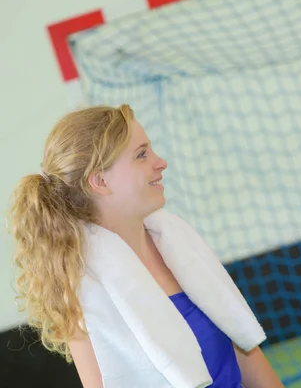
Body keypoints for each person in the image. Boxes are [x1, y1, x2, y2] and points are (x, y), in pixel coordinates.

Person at [8, 104, 284, 388]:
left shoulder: (177, 243)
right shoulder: (83, 290)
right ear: (100, 181)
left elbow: (241, 346)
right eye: (141, 155)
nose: (160, 162)